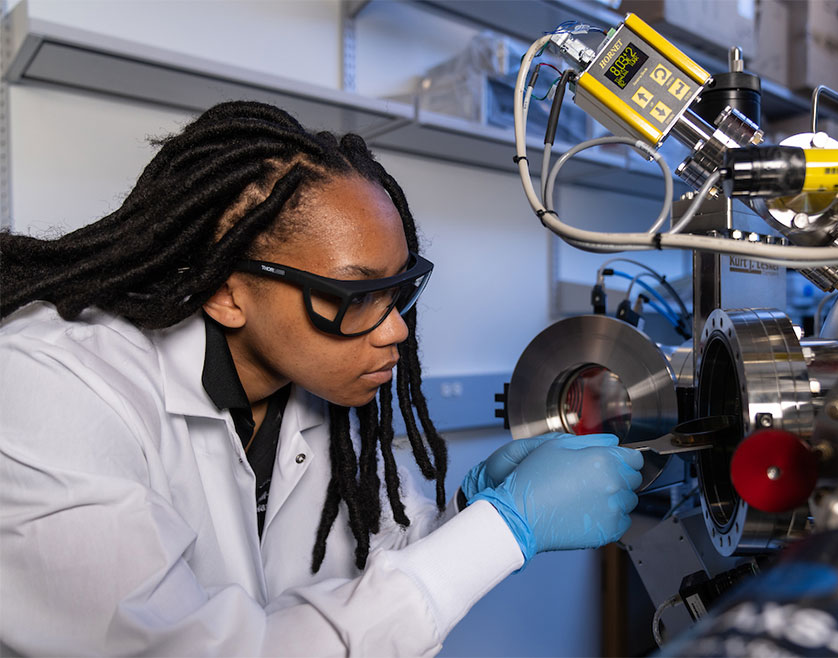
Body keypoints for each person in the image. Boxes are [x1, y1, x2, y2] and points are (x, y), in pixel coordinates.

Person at [0, 101, 643, 656]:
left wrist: (470, 512)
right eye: (354, 295)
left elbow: (382, 566)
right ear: (227, 292)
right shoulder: (51, 387)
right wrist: (507, 528)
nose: (394, 331)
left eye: (398, 292)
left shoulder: (312, 392)